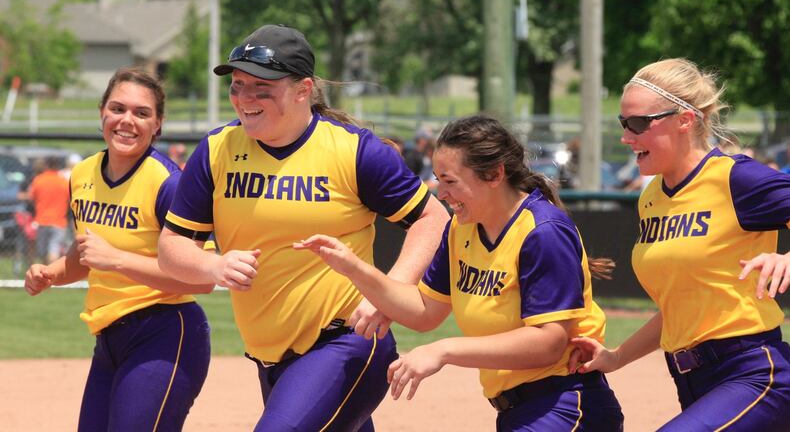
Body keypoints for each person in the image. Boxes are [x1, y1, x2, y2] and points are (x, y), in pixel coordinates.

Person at [157, 24, 448, 431]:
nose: (245, 98)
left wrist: (391, 293)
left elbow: (434, 218)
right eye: (238, 85)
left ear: (302, 89)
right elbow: (171, 247)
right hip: (271, 359)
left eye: (262, 87)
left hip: (347, 342)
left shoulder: (353, 151)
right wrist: (214, 266)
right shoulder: (217, 150)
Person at [295, 114, 624, 431]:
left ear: (494, 174)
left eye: (450, 181)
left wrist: (443, 350)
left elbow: (549, 342)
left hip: (566, 406)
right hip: (522, 411)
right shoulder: (461, 229)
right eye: (439, 181)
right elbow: (425, 311)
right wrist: (355, 269)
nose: (441, 193)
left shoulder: (543, 231)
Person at [570, 58, 790, 431]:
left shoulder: (735, 178)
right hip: (693, 382)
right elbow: (678, 309)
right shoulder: (651, 197)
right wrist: (617, 357)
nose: (626, 136)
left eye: (639, 123)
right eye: (623, 123)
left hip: (752, 373)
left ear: (685, 120)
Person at [24, 67, 213, 431]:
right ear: (102, 112)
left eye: (142, 113)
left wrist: (118, 260)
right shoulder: (83, 173)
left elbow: (202, 278)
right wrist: (51, 274)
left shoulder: (169, 183)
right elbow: (86, 256)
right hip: (109, 337)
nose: (127, 120)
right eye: (117, 108)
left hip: (164, 334)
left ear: (158, 124)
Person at [22, 156, 70, 263]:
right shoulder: (64, 181)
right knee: (54, 249)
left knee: (42, 253)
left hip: (42, 220)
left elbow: (31, 197)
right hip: (59, 221)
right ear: (58, 166)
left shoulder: (39, 180)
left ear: (47, 165)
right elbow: (70, 199)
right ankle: (51, 271)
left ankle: (46, 271)